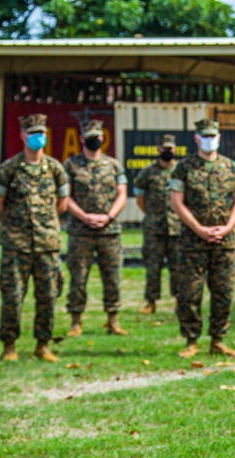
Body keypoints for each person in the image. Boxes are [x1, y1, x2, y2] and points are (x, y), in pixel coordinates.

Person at [0, 113, 69, 363]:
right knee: (12, 296)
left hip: (47, 244)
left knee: (48, 296)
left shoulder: (55, 169)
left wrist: (44, 224)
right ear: (23, 136)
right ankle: (9, 346)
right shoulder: (9, 169)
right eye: (33, 133)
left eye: (41, 133)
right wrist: (17, 225)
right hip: (16, 245)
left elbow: (62, 204)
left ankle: (43, 345)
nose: (38, 137)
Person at [169, 118, 235, 358]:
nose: (210, 140)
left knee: (223, 291)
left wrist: (228, 227)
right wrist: (198, 228)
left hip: (224, 242)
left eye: (213, 136)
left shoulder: (230, 167)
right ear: (197, 138)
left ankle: (218, 339)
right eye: (205, 136)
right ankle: (191, 340)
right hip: (193, 242)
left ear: (219, 138)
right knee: (190, 292)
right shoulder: (184, 167)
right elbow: (177, 202)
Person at [64, 119, 129, 337]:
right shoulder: (71, 165)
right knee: (78, 278)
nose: (94, 140)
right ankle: (76, 321)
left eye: (97, 137)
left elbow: (122, 194)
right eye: (89, 137)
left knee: (112, 277)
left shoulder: (113, 165)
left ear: (102, 138)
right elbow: (65, 197)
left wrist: (109, 216)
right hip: (80, 231)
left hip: (109, 232)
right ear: (82, 139)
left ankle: (113, 320)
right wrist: (84, 217)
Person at [134, 134, 181, 315]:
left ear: (175, 149)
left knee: (178, 267)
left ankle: (179, 300)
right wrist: (151, 215)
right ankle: (151, 301)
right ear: (158, 150)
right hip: (154, 228)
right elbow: (140, 198)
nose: (167, 151)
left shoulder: (181, 170)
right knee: (153, 266)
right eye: (164, 148)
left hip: (177, 227)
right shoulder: (147, 172)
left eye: (170, 148)